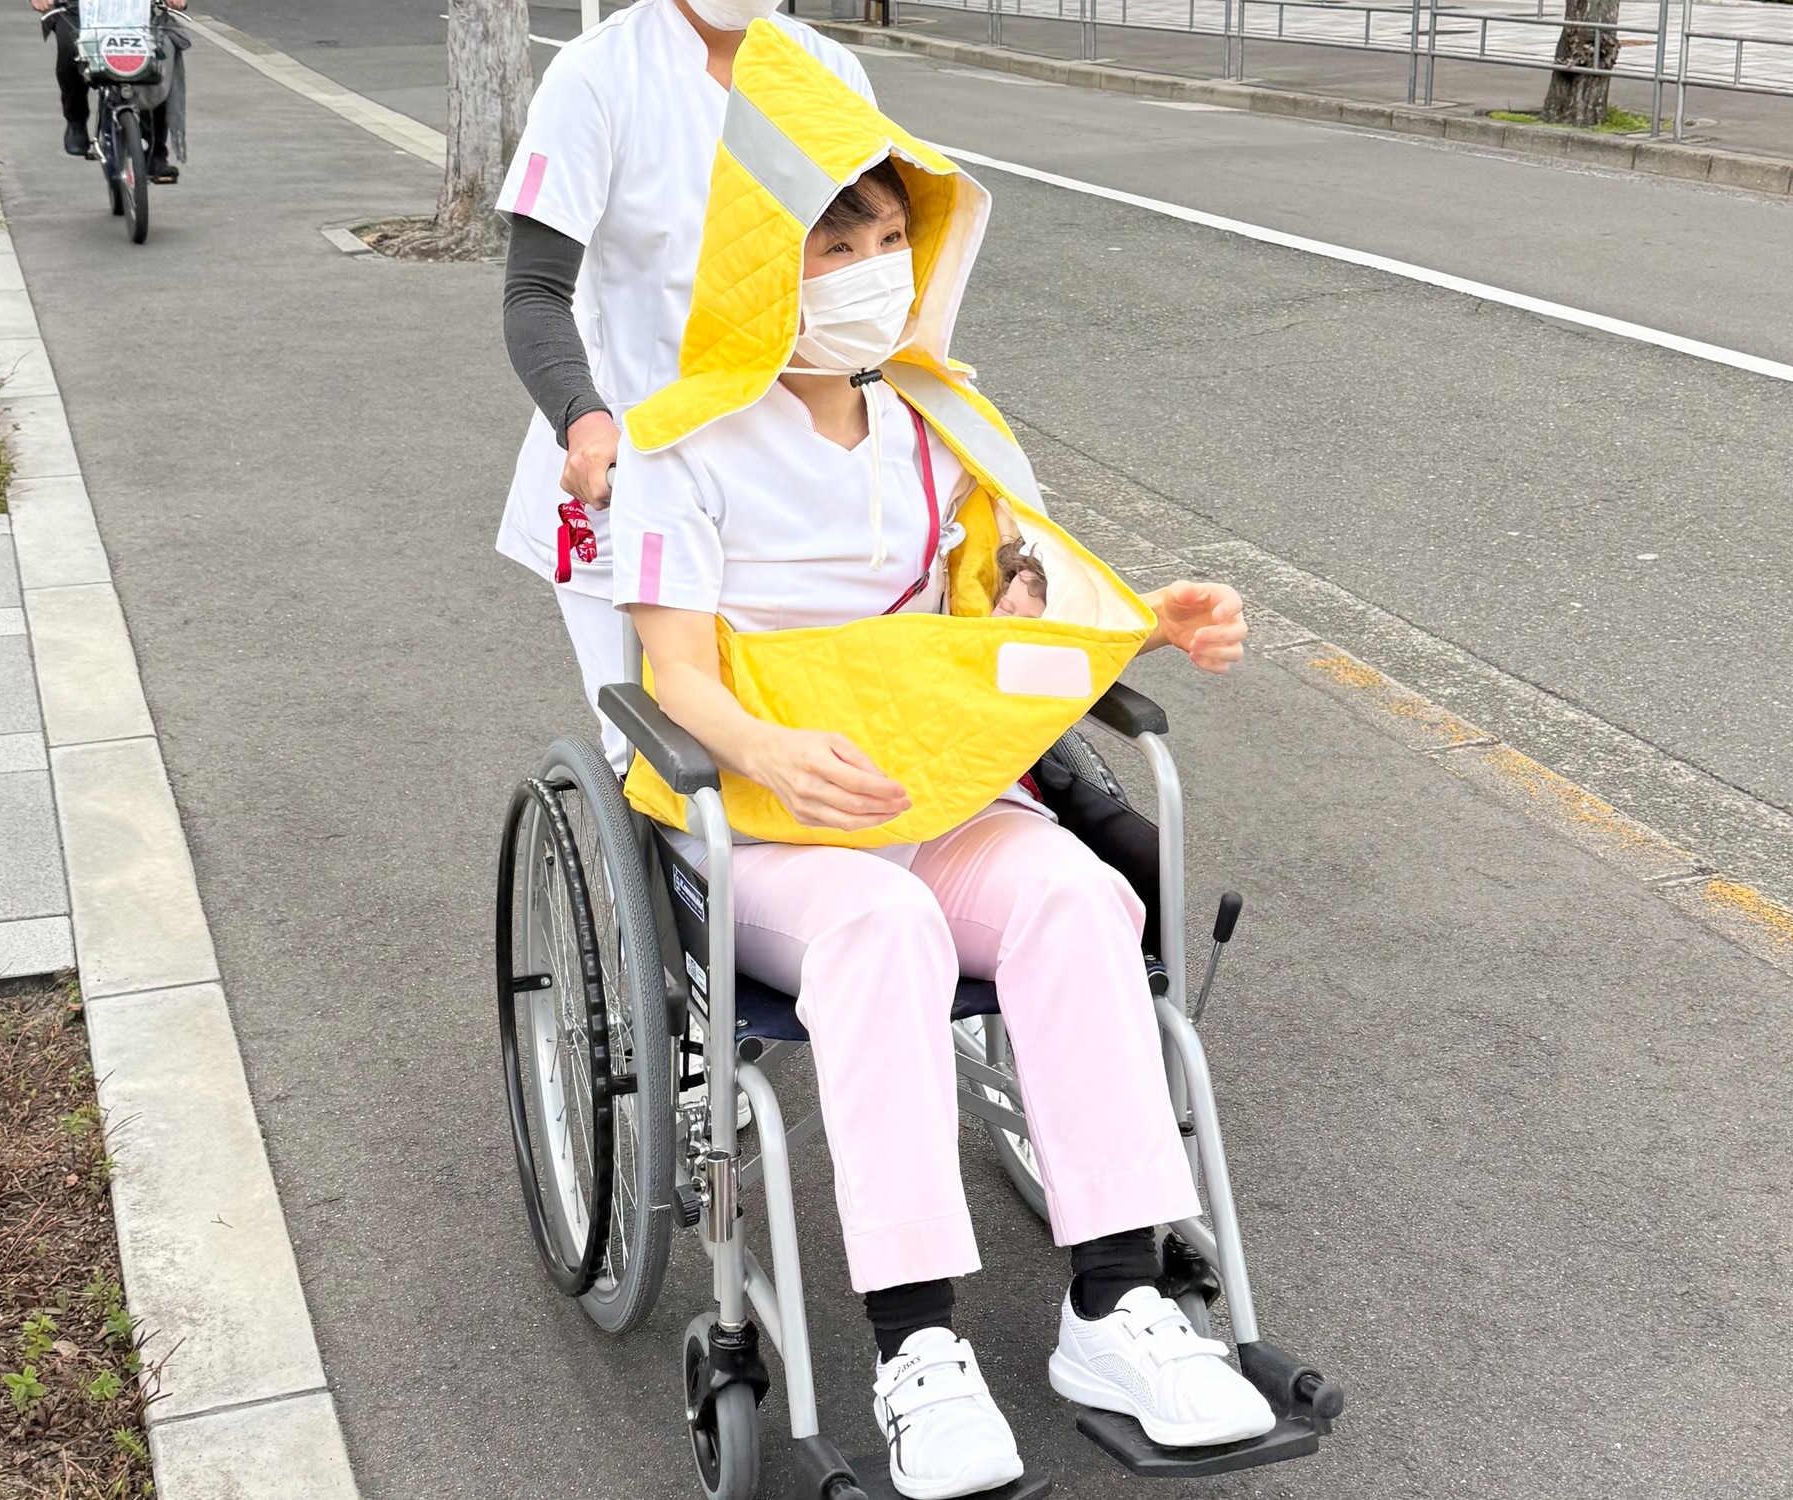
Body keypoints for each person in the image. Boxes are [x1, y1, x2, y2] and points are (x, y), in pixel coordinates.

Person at [608, 47, 1276, 1498]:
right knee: (882, 927)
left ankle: (1115, 1307)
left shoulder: (940, 422)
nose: (869, 271)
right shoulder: (679, 448)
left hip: (938, 797)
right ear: (756, 269)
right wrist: (772, 748)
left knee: (1078, 898)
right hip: (767, 828)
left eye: (886, 239)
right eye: (831, 246)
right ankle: (916, 1346)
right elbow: (673, 677)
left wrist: (1146, 620)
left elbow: (1016, 607)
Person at [498, 0, 874, 771]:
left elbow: (868, 268)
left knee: (816, 720)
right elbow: (535, 293)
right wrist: (586, 422)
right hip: (636, 470)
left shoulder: (828, 71)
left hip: (786, 469)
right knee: (668, 762)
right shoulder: (598, 75)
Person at [33, 0, 188, 183]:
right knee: (70, 47)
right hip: (78, 9)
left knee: (159, 57)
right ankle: (76, 120)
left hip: (134, 9)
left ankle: (155, 152)